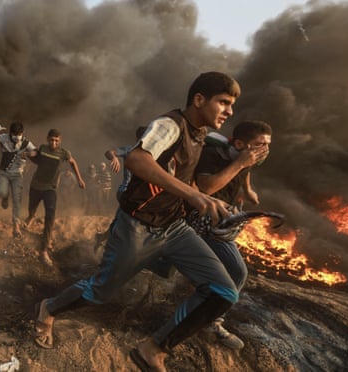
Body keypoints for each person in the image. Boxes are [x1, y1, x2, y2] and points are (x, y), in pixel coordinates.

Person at [33, 72, 241, 372]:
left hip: (174, 226)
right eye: (224, 102)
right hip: (138, 227)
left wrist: (211, 201)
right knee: (100, 292)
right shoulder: (170, 126)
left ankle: (153, 349)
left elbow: (186, 182)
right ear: (199, 99)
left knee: (224, 291)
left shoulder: (200, 136)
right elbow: (137, 159)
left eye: (232, 104)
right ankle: (49, 308)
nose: (230, 111)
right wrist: (193, 197)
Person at [190, 120, 272, 350]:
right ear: (239, 143)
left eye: (267, 145)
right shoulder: (213, 154)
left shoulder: (245, 156)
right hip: (201, 220)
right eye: (260, 144)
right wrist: (239, 164)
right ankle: (211, 323)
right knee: (237, 271)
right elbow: (206, 187)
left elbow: (246, 169)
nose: (264, 149)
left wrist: (247, 190)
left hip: (221, 218)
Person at [24, 129, 86, 265]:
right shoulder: (43, 148)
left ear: (60, 141)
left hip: (50, 189)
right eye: (51, 140)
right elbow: (37, 159)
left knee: (50, 216)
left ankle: (44, 251)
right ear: (47, 139)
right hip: (35, 186)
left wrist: (79, 179)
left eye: (56, 140)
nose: (54, 143)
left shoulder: (64, 153)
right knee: (31, 210)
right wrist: (28, 154)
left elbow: (73, 162)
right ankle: (30, 217)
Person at [0, 122, 36, 238]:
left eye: (19, 134)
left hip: (18, 174)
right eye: (14, 133)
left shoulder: (26, 142)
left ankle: (16, 227)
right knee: (1, 192)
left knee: (17, 201)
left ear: (22, 133)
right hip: (4, 172)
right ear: (10, 133)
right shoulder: (3, 137)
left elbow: (36, 152)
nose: (17, 136)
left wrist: (28, 154)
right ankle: (5, 197)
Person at [104, 126, 147, 202]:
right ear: (137, 139)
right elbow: (109, 152)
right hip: (126, 191)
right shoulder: (129, 150)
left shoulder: (152, 154)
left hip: (139, 194)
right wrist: (114, 157)